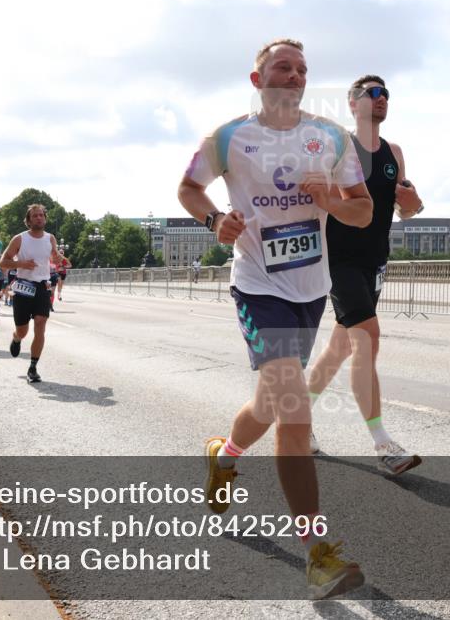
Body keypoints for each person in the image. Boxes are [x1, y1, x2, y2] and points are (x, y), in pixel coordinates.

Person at [177, 38, 372, 600]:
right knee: (293, 409)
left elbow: (363, 211)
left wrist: (331, 201)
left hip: (310, 292)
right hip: (257, 287)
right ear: (257, 79)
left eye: (302, 69)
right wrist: (214, 220)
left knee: (269, 404)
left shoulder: (331, 137)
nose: (294, 75)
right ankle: (318, 554)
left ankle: (224, 456)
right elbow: (189, 188)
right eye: (282, 67)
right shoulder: (228, 138)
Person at [306, 75, 424, 475]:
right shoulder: (339, 148)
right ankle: (383, 442)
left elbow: (406, 210)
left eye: (385, 93)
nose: (381, 98)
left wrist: (414, 203)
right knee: (367, 338)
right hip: (338, 259)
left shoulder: (394, 153)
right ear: (352, 103)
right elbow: (320, 201)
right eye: (372, 93)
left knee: (340, 348)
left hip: (375, 261)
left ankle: (298, 417)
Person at [0, 204, 69, 383]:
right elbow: (3, 262)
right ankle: (16, 338)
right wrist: (21, 264)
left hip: (42, 287)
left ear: (45, 219)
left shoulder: (50, 238)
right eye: (35, 216)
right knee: (23, 331)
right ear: (29, 220)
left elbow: (53, 257)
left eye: (41, 215)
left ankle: (33, 367)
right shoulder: (19, 239)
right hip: (24, 286)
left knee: (40, 323)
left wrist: (60, 259)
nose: (39, 218)